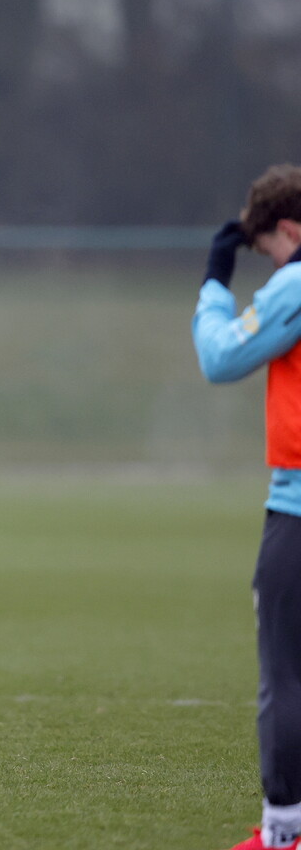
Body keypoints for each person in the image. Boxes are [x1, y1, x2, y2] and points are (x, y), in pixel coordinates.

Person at [193, 164, 301, 850]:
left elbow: (220, 356)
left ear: (288, 228)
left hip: (297, 513)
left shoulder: (295, 286)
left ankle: (286, 831)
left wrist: (214, 281)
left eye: (266, 251)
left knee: (285, 675)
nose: (269, 265)